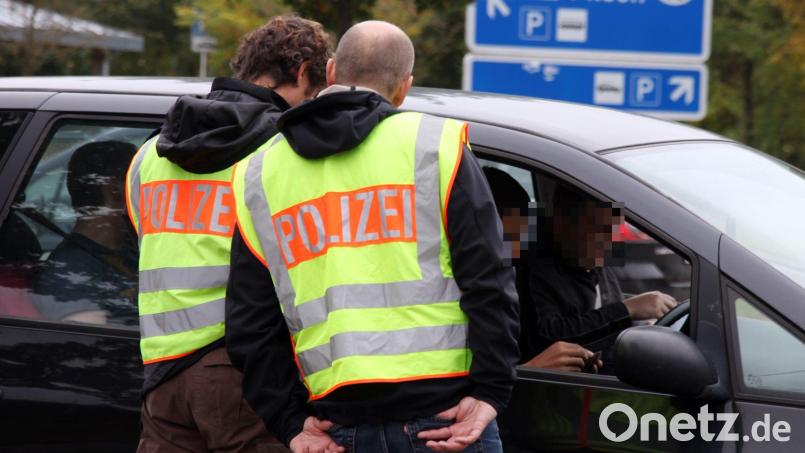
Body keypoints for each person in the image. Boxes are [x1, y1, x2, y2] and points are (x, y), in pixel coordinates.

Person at [226, 20, 520, 453]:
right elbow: (488, 279)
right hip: (445, 420)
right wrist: (491, 390)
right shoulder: (436, 146)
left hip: (334, 427)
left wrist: (289, 423)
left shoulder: (258, 173)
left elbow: (250, 323)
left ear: (330, 73)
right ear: (404, 87)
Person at [125, 16, 332, 453]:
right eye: (313, 92)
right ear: (301, 71)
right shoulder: (282, 153)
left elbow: (146, 243)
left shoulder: (149, 154)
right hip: (242, 371)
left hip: (161, 375)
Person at [482, 168, 677, 362]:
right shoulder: (532, 268)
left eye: (613, 228)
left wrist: (640, 320)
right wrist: (626, 310)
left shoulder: (594, 262)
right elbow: (546, 340)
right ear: (561, 222)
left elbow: (602, 314)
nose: (609, 240)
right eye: (598, 228)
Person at [33, 140, 138, 325]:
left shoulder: (130, 251)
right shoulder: (70, 270)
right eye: (142, 181)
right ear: (115, 188)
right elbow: (89, 344)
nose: (150, 192)